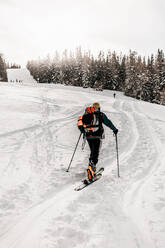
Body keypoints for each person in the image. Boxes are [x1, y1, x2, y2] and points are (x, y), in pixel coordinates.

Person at [77, 102, 118, 181]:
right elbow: (108, 122)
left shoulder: (87, 114)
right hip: (97, 136)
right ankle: (91, 167)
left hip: (88, 136)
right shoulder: (100, 114)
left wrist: (83, 131)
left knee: (93, 151)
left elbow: (80, 123)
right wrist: (114, 129)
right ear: (98, 108)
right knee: (96, 152)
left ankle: (91, 167)